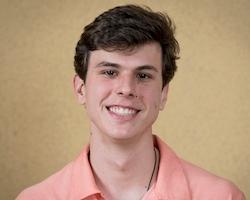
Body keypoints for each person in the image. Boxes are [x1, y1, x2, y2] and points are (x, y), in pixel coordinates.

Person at [16, 4, 245, 200]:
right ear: (80, 88)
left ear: (163, 93)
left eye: (143, 75)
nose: (126, 89)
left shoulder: (221, 196)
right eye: (109, 72)